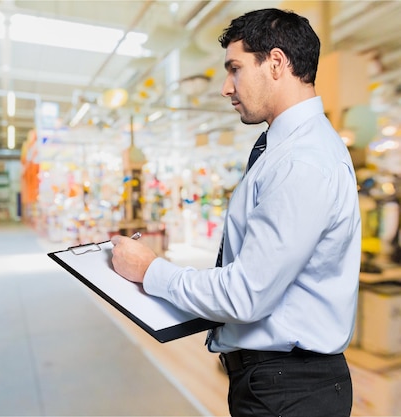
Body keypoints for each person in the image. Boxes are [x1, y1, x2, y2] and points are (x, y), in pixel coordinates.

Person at [111, 8, 361, 417]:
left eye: (235, 69)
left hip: (288, 390)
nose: (226, 87)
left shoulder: (301, 161)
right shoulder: (286, 150)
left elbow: (246, 296)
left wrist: (150, 270)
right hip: (279, 383)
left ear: (277, 63)